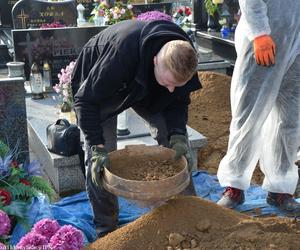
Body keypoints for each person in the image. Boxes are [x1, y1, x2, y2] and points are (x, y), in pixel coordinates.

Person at [71, 19, 201, 237]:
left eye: (175, 85)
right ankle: (107, 230)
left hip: (148, 87)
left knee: (177, 145)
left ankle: (187, 213)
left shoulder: (184, 57)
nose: (171, 90)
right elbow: (86, 101)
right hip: (101, 91)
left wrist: (178, 134)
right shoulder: (120, 55)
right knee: (100, 161)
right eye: (168, 82)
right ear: (155, 61)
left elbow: (178, 100)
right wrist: (96, 145)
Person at [217, 0, 300, 213]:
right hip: (265, 41)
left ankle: (280, 188)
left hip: (297, 45)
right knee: (249, 114)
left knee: (290, 120)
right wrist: (259, 32)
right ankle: (234, 185)